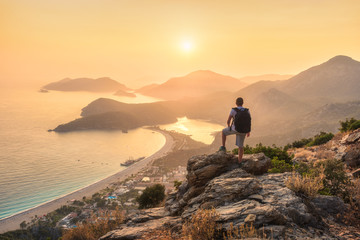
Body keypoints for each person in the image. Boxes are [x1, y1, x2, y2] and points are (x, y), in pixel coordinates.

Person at [219, 97, 251, 164]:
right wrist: (248, 131)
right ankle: (240, 162)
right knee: (241, 146)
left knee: (223, 132)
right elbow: (248, 121)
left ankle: (223, 147)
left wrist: (229, 127)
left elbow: (228, 121)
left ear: (236, 103)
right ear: (242, 103)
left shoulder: (233, 110)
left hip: (235, 129)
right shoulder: (247, 110)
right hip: (244, 130)